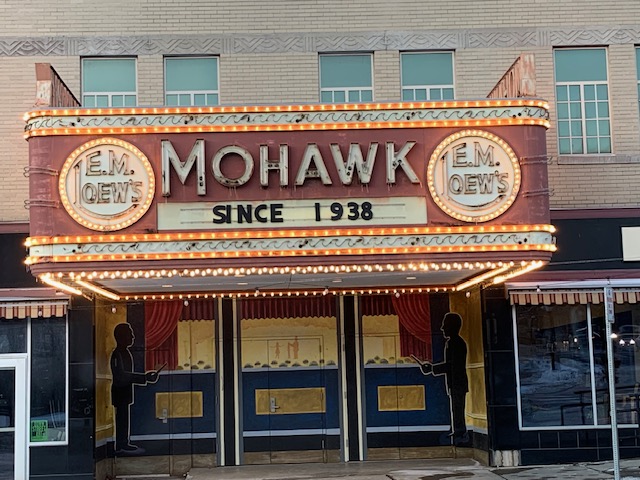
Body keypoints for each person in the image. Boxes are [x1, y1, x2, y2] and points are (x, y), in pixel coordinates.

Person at [415, 312, 469, 445]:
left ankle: (460, 432)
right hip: (456, 383)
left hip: (457, 383)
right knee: (456, 407)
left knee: (457, 407)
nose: (442, 328)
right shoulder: (455, 342)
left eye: (445, 325)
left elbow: (451, 365)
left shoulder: (455, 343)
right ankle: (458, 431)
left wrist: (432, 368)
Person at [110, 323, 161, 453]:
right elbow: (121, 375)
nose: (133, 337)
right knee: (121, 417)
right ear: (121, 337)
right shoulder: (117, 354)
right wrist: (145, 378)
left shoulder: (125, 353)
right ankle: (121, 443)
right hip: (119, 391)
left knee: (124, 417)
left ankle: (123, 442)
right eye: (130, 334)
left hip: (124, 391)